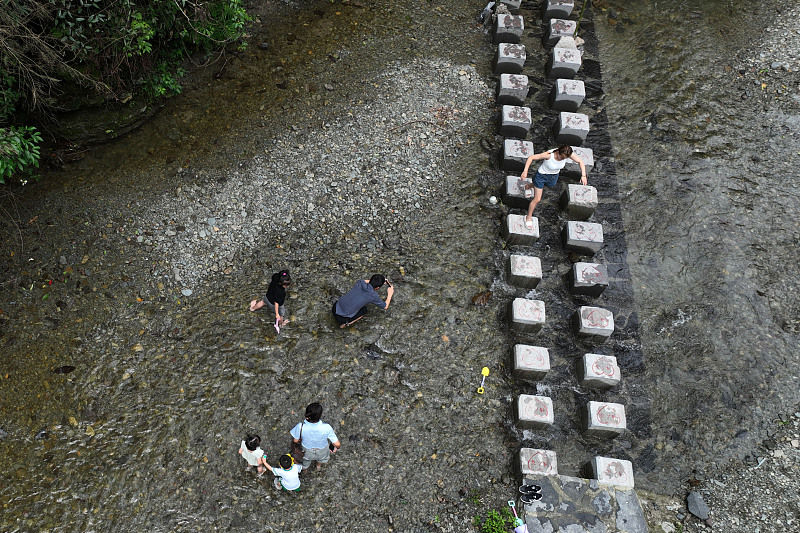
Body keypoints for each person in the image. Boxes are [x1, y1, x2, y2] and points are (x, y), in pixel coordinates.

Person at [520, 145, 587, 228]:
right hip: (541, 176)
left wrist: (583, 175)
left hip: (554, 176)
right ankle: (528, 217)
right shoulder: (548, 155)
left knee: (549, 185)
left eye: (564, 158)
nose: (562, 159)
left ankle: (528, 186)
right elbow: (531, 158)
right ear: (558, 152)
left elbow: (580, 161)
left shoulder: (567, 153)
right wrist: (525, 171)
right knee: (537, 199)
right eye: (561, 157)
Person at [289, 402, 341, 472]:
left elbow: (295, 441)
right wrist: (335, 448)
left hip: (307, 451)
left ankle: (305, 469)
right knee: (321, 459)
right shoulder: (327, 427)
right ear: (320, 415)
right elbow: (337, 444)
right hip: (322, 450)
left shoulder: (300, 426)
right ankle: (318, 466)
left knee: (306, 461)